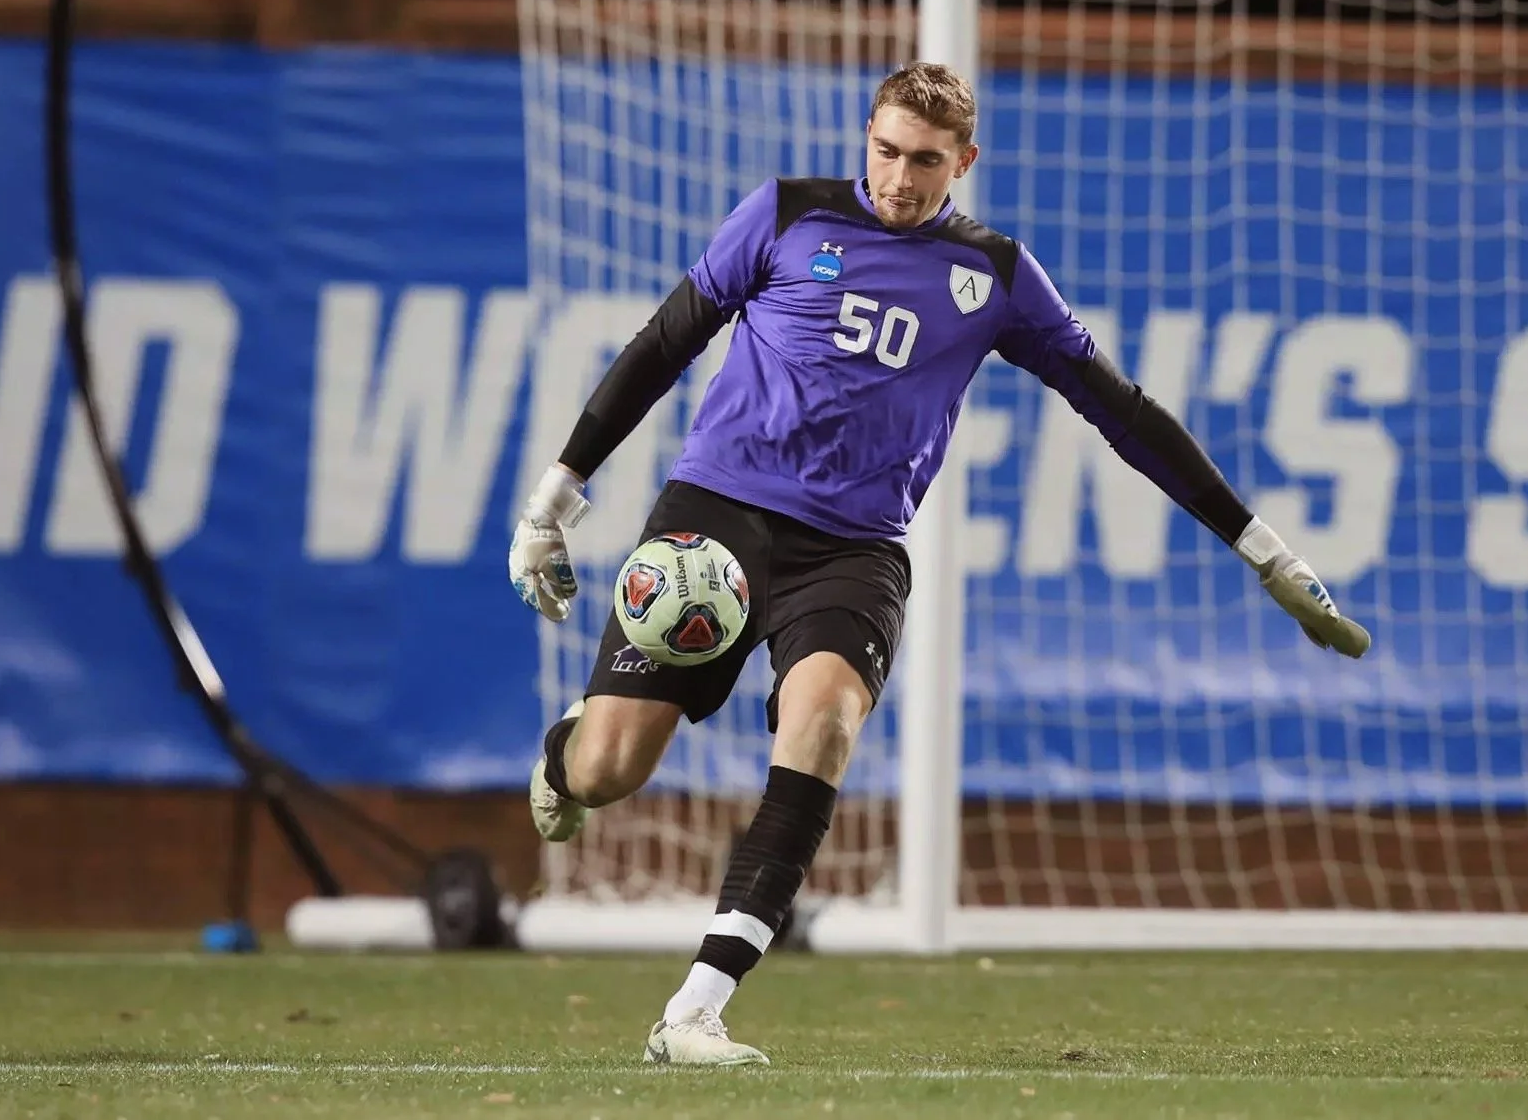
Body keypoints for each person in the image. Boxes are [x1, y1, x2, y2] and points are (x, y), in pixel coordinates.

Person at [507, 61, 1369, 1067]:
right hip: (715, 520)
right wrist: (554, 499)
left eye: (923, 160)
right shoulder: (785, 216)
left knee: (822, 721)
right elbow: (664, 343)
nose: (899, 177)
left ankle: (695, 1009)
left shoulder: (993, 276)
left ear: (962, 161)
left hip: (854, 547)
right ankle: (567, 753)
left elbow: (1121, 413)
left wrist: (1263, 552)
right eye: (884, 151)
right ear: (862, 139)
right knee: (611, 770)